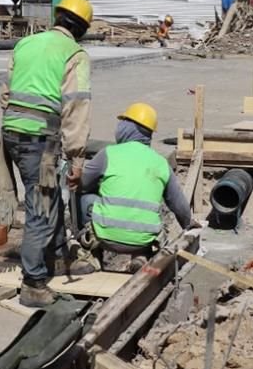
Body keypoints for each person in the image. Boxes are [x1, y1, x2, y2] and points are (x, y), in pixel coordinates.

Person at [0, 0, 93, 308]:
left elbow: (6, 93)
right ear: (81, 30)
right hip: (40, 139)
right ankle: (34, 283)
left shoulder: (27, 44)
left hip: (12, 134)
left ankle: (58, 257)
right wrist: (77, 157)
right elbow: (76, 108)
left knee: (50, 201)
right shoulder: (75, 54)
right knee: (41, 206)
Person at [76, 103, 196, 273]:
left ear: (129, 127)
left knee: (83, 197)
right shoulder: (161, 163)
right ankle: (141, 255)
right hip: (143, 240)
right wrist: (189, 225)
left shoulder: (108, 153)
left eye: (123, 121)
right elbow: (179, 206)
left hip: (105, 238)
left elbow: (82, 184)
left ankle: (91, 254)